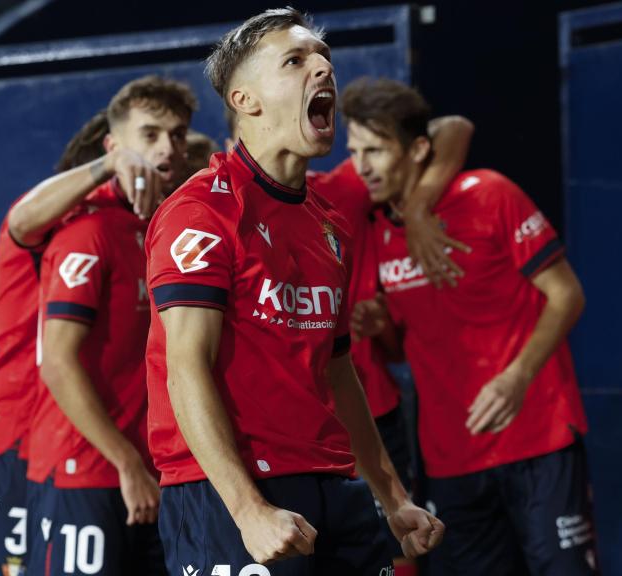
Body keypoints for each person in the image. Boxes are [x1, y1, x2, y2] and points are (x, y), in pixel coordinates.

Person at [145, 8, 443, 575]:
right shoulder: (200, 211)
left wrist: (393, 496)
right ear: (245, 100)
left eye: (324, 58)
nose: (323, 69)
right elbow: (184, 368)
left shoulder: (328, 222)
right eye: (296, 60)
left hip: (333, 484)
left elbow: (338, 369)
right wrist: (248, 510)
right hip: (233, 491)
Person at [344, 77, 597, 575]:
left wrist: (518, 374)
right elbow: (401, 349)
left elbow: (568, 294)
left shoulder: (488, 195)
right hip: (450, 458)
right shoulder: (376, 227)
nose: (361, 166)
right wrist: (379, 327)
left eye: (375, 150)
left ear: (418, 150)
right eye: (354, 150)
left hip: (537, 437)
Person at [0, 102, 154, 576]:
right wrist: (106, 166)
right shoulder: (54, 228)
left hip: (53, 431)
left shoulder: (122, 234)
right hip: (9, 428)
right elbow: (23, 218)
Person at [24, 75, 195, 576]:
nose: (167, 147)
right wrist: (125, 462)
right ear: (113, 145)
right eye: (150, 134)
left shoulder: (171, 227)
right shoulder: (89, 230)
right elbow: (56, 361)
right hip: (89, 470)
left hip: (151, 470)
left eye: (178, 134)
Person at [310, 113, 473, 573]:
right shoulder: (218, 215)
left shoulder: (338, 190)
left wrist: (419, 205)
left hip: (370, 411)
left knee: (399, 550)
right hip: (293, 432)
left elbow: (454, 128)